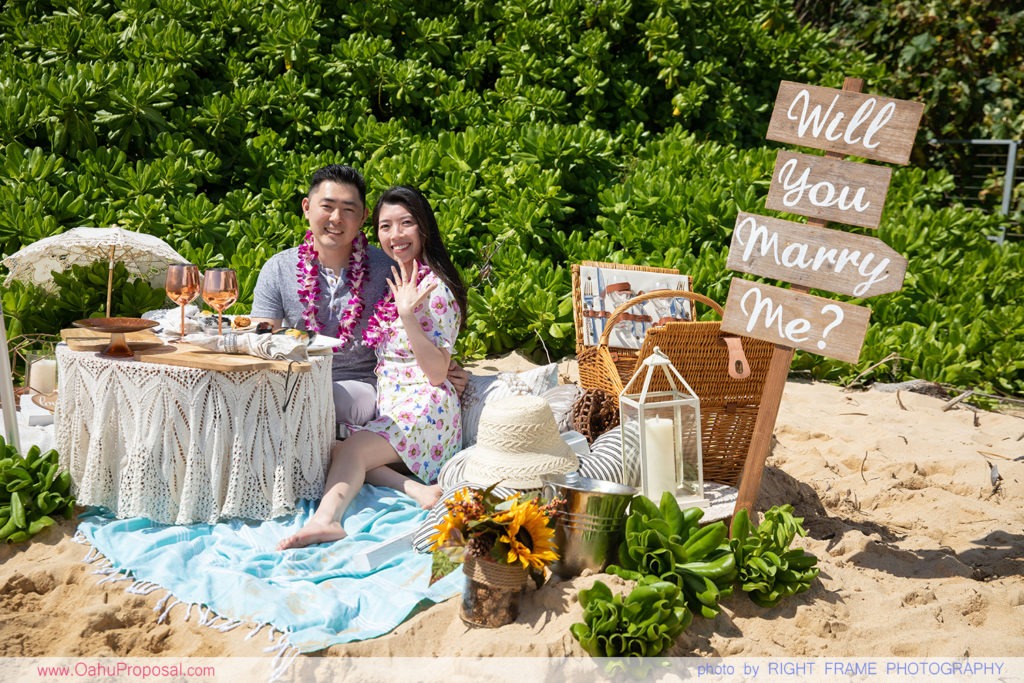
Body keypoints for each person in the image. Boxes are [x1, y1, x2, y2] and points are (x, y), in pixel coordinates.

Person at [277, 186, 467, 549]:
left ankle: (327, 520)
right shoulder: (399, 278)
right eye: (385, 226)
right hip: (394, 403)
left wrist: (408, 315)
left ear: (424, 227)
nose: (395, 235)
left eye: (406, 223)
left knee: (351, 451)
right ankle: (418, 491)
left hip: (425, 408)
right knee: (335, 448)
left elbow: (437, 373)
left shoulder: (435, 289)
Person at [251, 164, 466, 427]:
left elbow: (423, 330)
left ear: (363, 216)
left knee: (330, 400)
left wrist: (449, 368)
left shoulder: (389, 269)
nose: (336, 218)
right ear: (307, 207)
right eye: (327, 206)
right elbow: (259, 341)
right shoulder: (278, 268)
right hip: (295, 379)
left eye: (348, 209)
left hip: (360, 386)